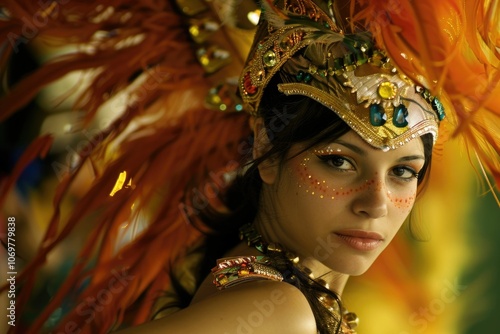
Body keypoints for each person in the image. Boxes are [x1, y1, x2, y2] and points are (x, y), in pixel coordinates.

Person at [0, 0, 497, 333]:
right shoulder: (282, 312)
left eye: (404, 171)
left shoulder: (290, 300)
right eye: (340, 161)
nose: (376, 204)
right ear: (267, 151)